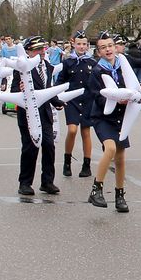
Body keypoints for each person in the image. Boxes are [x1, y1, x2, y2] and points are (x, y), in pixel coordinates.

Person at [86, 33, 137, 213]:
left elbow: (131, 85)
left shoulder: (123, 66)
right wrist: (117, 99)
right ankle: (96, 189)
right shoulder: (97, 71)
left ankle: (119, 195)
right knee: (110, 149)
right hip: (103, 117)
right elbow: (97, 96)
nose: (108, 49)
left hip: (121, 117)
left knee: (121, 158)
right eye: (103, 47)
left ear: (115, 47)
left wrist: (140, 90)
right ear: (98, 52)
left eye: (110, 45)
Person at [10, 36, 61, 198]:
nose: (41, 52)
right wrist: (19, 88)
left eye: (43, 49)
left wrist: (57, 101)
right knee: (30, 147)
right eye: (37, 49)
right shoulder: (22, 67)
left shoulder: (48, 67)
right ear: (29, 52)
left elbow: (48, 89)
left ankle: (47, 181)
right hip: (28, 114)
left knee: (49, 146)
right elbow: (13, 91)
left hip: (45, 113)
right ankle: (25, 183)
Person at [55, 31, 98, 178]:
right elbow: (60, 81)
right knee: (72, 130)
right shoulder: (68, 62)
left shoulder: (92, 63)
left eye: (84, 44)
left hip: (87, 101)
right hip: (72, 100)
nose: (81, 46)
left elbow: (97, 83)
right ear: (73, 44)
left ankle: (86, 165)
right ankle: (67, 161)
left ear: (88, 46)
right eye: (79, 44)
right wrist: (57, 98)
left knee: (86, 132)